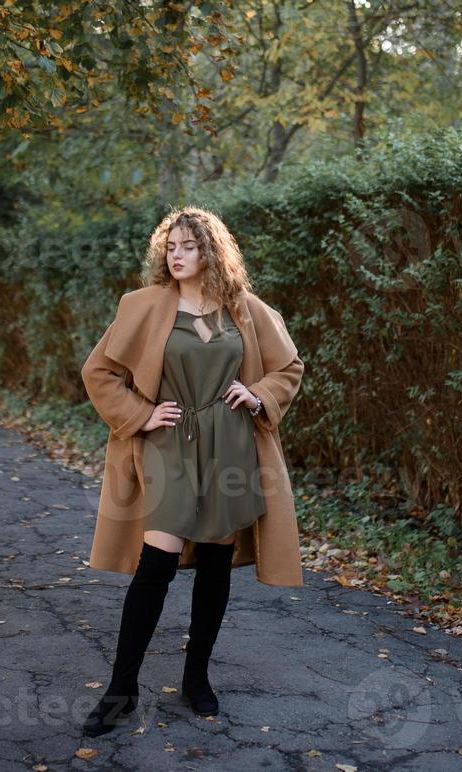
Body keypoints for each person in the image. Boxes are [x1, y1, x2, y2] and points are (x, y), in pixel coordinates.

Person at [78, 206, 305, 737]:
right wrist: (140, 413)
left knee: (216, 564)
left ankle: (196, 678)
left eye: (188, 246)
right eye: (170, 247)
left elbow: (288, 367)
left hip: (229, 445)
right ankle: (121, 690)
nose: (175, 255)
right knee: (156, 563)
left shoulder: (244, 309)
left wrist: (257, 394)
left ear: (212, 252)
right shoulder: (144, 305)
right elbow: (99, 371)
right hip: (168, 443)